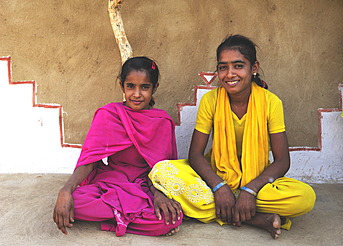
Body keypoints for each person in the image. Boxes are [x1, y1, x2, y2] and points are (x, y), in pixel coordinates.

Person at [149, 35, 316, 239]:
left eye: (238, 66)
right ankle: (254, 217)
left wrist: (250, 190)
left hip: (257, 182)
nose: (230, 74)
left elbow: (282, 161)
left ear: (254, 67)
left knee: (304, 197)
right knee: (162, 171)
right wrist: (219, 187)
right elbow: (195, 155)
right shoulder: (211, 100)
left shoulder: (271, 102)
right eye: (223, 67)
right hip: (216, 175)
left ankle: (228, 208)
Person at [53, 57, 183, 237]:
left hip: (144, 185)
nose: (137, 94)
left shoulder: (162, 122)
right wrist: (65, 190)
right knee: (74, 201)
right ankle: (126, 216)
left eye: (144, 87)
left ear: (155, 88)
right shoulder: (108, 114)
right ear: (122, 86)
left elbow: (162, 172)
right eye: (130, 86)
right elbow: (90, 160)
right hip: (111, 181)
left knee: (171, 217)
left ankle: (114, 217)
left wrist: (159, 195)